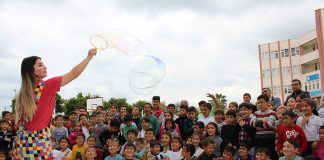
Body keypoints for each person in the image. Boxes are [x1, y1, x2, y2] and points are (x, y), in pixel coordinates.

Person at [13, 48, 96, 159]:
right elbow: (74, 73)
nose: (45, 67)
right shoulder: (45, 86)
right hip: (39, 141)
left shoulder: (23, 94)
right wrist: (89, 57)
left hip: (22, 142)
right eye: (40, 65)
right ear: (32, 71)